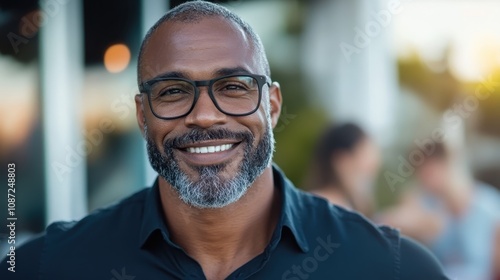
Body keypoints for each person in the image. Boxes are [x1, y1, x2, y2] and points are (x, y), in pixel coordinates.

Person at [0, 1, 448, 279]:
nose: (205, 115)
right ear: (141, 116)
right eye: (173, 92)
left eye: (233, 87)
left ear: (271, 106)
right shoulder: (50, 268)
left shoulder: (392, 270)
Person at [379, 142, 500, 280]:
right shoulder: (424, 204)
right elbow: (386, 222)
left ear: (448, 165)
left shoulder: (489, 206)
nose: (425, 180)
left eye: (429, 172)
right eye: (421, 174)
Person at [307, 123, 381, 216]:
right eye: (366, 155)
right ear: (342, 160)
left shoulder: (344, 208)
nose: (373, 168)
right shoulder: (322, 208)